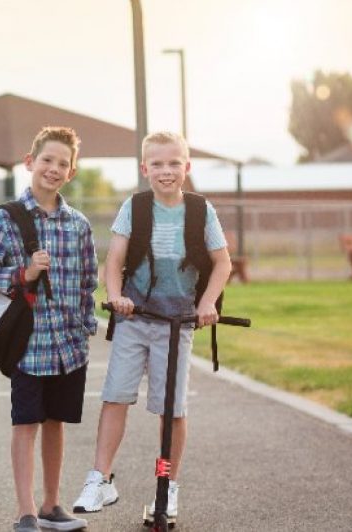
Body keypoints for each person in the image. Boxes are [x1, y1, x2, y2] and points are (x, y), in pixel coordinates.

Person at [71, 132, 231, 520]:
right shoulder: (136, 207)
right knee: (116, 396)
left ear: (186, 167)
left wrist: (207, 303)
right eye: (157, 164)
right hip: (135, 318)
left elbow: (222, 262)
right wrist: (117, 296)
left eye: (174, 163)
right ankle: (100, 479)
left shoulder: (200, 210)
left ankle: (167, 485)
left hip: (178, 322)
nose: (166, 171)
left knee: (172, 409)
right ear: (145, 169)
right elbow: (114, 262)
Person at [0, 126, 98, 532]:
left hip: (68, 344)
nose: (54, 168)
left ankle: (51, 504)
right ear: (30, 162)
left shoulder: (78, 225)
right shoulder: (6, 219)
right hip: (29, 344)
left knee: (56, 422)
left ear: (72, 172)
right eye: (47, 160)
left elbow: (88, 282)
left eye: (63, 163)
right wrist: (23, 272)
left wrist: (85, 328)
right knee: (25, 423)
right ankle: (25, 511)